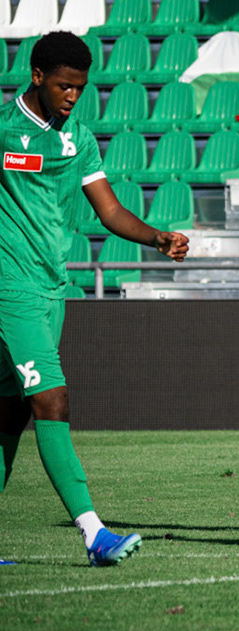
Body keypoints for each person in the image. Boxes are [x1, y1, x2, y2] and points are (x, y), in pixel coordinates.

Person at [0, 32, 189, 566]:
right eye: (64, 85)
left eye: (80, 88)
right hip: (9, 288)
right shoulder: (4, 130)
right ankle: (94, 533)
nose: (72, 96)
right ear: (37, 77)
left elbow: (108, 211)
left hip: (50, 289)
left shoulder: (77, 137)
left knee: (11, 415)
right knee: (52, 400)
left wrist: (157, 237)